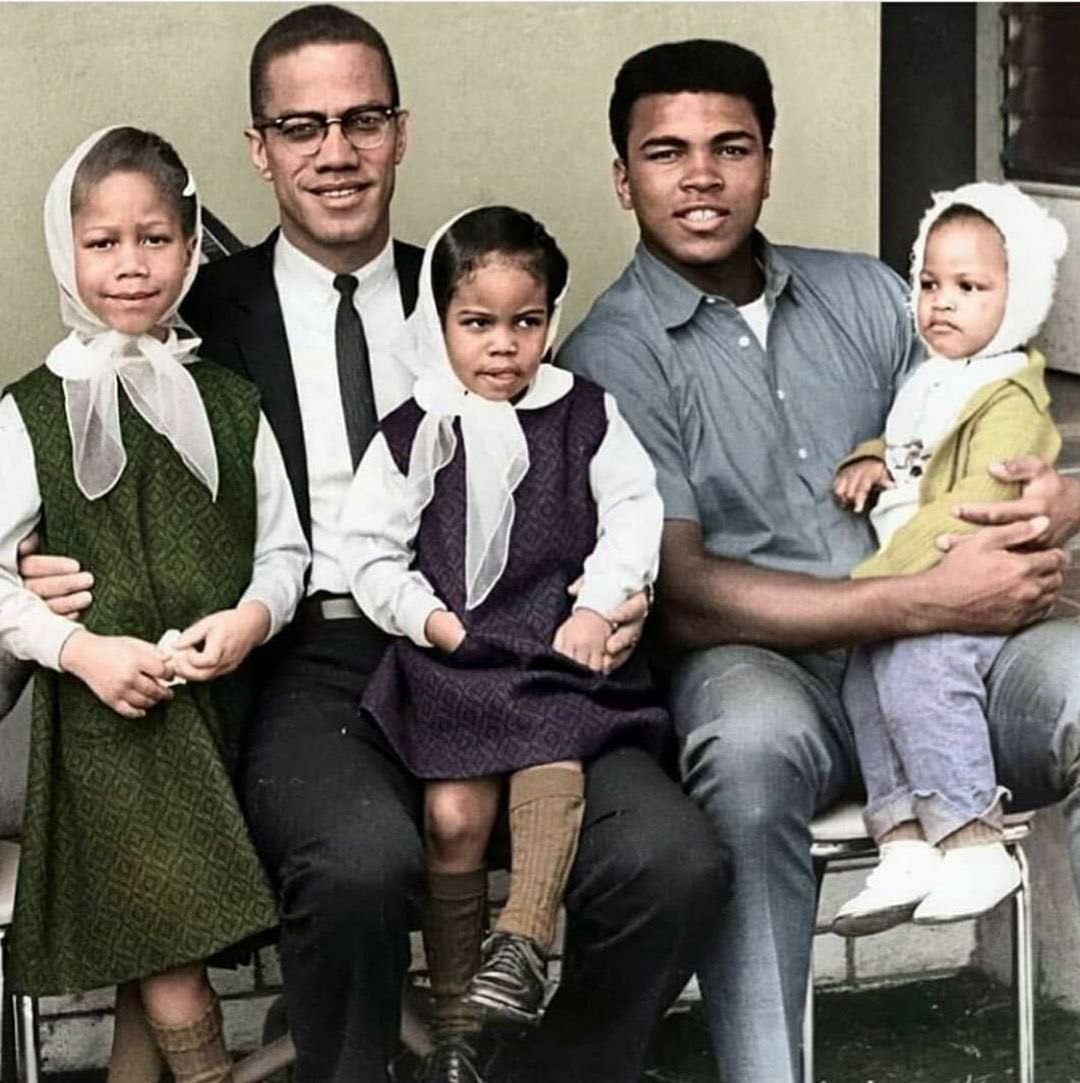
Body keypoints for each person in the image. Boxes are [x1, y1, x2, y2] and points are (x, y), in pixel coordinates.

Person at [13, 10, 724, 1083]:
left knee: (673, 862)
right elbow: (95, 464)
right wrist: (44, 567)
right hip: (313, 657)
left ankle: (543, 1074)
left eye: (362, 120)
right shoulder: (184, 317)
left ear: (401, 132)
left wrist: (616, 592)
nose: (335, 152)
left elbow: (583, 470)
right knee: (355, 865)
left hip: (520, 653)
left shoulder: (480, 289)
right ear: (259, 148)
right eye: (301, 126)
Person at [558, 38, 1080, 1083]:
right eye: (666, 153)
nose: (701, 175)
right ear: (623, 179)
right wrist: (921, 600)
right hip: (768, 666)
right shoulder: (609, 353)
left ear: (768, 159)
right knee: (743, 752)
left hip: (951, 670)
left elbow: (983, 428)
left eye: (730, 146)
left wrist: (1061, 502)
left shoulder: (875, 297)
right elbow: (690, 595)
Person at [0, 126, 308, 1083]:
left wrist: (249, 619)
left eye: (155, 239)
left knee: (151, 959)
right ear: (68, 248)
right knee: (174, 963)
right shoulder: (29, 410)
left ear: (189, 243)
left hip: (210, 707)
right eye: (103, 243)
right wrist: (77, 649)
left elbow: (284, 551)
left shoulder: (230, 402)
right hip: (106, 729)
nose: (131, 265)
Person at [342, 206, 671, 1080]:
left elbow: (635, 514)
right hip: (453, 656)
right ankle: (457, 1028)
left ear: (551, 322)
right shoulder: (416, 429)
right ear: (438, 322)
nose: (502, 346)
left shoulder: (585, 414)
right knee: (454, 814)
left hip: (552, 649)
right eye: (476, 323)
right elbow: (368, 550)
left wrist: (599, 606)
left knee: (552, 761)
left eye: (526, 323)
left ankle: (522, 940)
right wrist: (427, 618)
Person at [831, 183, 1066, 935]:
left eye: (971, 287)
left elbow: (967, 504)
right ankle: (902, 840)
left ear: (1019, 296)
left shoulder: (1008, 396)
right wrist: (872, 458)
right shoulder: (934, 375)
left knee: (922, 670)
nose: (943, 303)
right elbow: (912, 451)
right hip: (919, 579)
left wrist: (881, 581)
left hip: (973, 575)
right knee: (866, 677)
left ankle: (971, 836)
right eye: (930, 283)